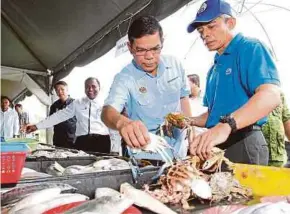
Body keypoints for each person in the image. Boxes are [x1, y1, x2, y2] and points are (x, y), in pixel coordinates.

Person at [187, 0, 281, 165]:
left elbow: (271, 95)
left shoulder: (250, 48)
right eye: (201, 30)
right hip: (217, 143)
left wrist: (227, 125)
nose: (204, 34)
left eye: (211, 26)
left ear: (230, 23)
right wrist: (190, 120)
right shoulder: (214, 68)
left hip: (244, 139)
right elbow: (213, 114)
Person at [101, 15, 192, 160]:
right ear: (130, 48)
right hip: (146, 158)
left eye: (155, 49)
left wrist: (189, 131)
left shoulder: (175, 65)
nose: (149, 56)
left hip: (179, 153)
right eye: (141, 50)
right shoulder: (124, 78)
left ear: (162, 42)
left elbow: (183, 97)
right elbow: (107, 112)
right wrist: (122, 123)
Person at [26, 77, 110, 153]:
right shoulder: (77, 103)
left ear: (99, 87)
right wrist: (37, 126)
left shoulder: (108, 103)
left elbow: (114, 127)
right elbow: (59, 116)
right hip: (83, 142)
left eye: (93, 86)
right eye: (87, 87)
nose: (90, 89)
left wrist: (115, 147)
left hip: (102, 141)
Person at [262, 92, 290, 167]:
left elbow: (286, 120)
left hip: (279, 158)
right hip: (255, 157)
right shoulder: (246, 88)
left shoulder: (279, 93)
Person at [49, 81, 77, 148]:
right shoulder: (54, 106)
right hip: (58, 140)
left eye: (62, 89)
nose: (60, 92)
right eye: (57, 90)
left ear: (67, 90)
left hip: (73, 140)